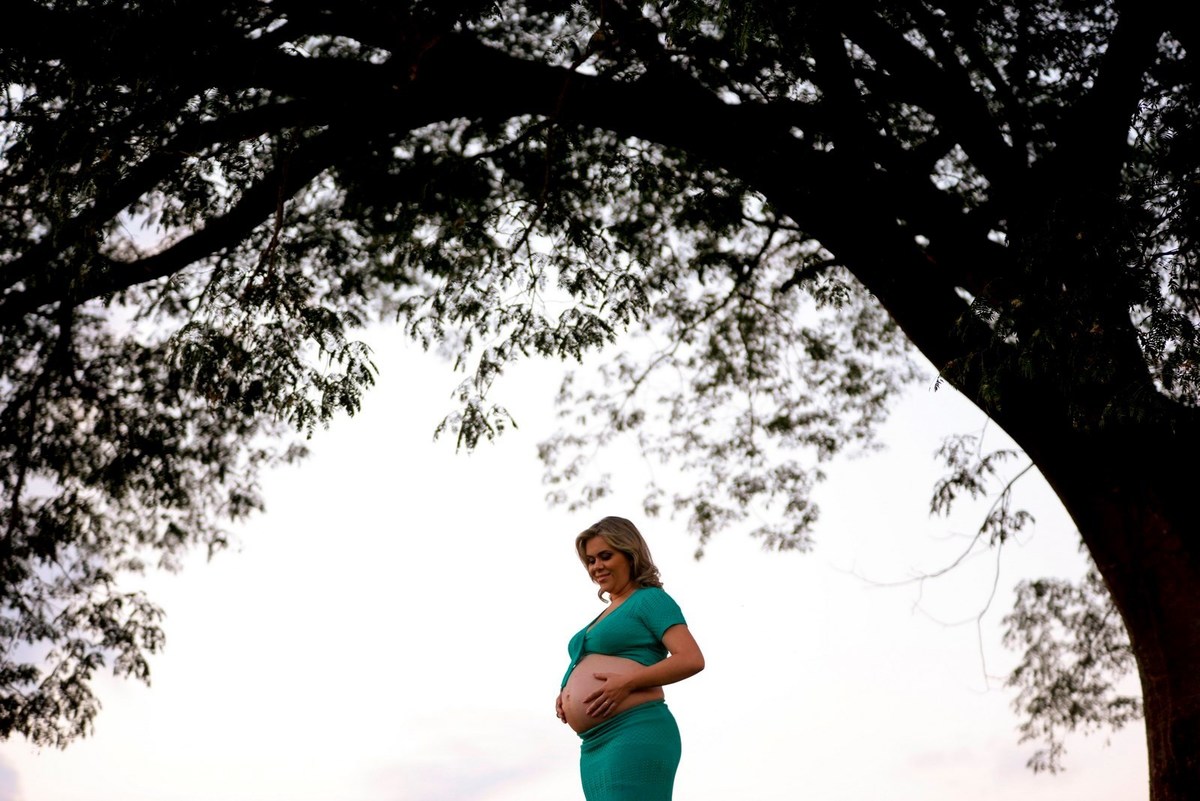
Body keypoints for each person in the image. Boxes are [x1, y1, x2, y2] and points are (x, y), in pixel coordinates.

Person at [556, 516, 705, 801]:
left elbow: (691, 658)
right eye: (590, 560)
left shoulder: (649, 599)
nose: (596, 566)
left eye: (605, 556)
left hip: (634, 730)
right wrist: (565, 692)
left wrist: (627, 682)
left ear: (629, 553)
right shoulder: (608, 612)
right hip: (594, 744)